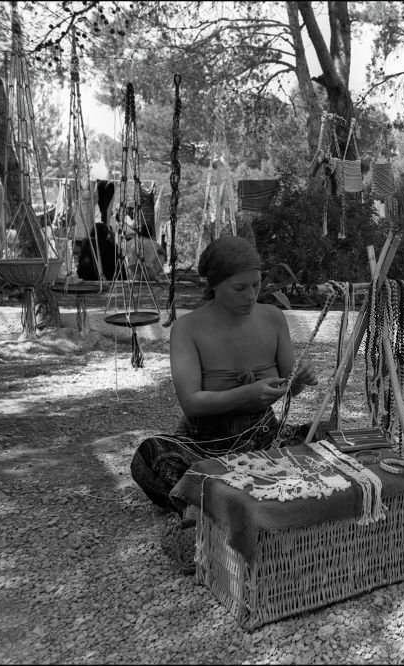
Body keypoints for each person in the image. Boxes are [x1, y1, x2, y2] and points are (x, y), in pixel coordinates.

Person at [129, 235, 317, 571]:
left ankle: (210, 505)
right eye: (239, 288)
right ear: (214, 285)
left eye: (256, 285)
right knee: (150, 456)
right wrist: (245, 394)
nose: (251, 295)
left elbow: (289, 389)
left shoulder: (272, 318)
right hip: (206, 445)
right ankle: (229, 502)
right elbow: (192, 404)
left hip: (264, 440)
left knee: (325, 438)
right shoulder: (188, 329)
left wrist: (298, 382)